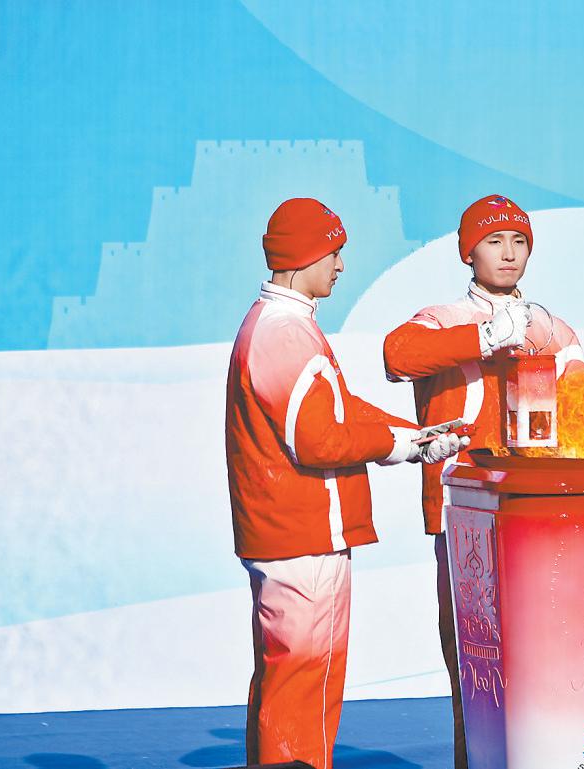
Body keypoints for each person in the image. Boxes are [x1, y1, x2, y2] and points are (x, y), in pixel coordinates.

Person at [225, 197, 468, 769]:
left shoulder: (285, 326)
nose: (340, 265)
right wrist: (399, 445)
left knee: (290, 678)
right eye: (333, 252)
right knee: (305, 683)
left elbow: (338, 408)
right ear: (304, 255)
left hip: (292, 533)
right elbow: (318, 439)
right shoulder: (283, 334)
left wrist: (414, 436)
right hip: (302, 535)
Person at [383, 194, 584, 768]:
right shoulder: (441, 319)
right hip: (462, 512)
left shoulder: (552, 329)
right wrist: (486, 337)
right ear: (469, 252)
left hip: (539, 513)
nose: (508, 253)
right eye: (493, 241)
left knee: (545, 652)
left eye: (519, 241)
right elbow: (397, 355)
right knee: (472, 654)